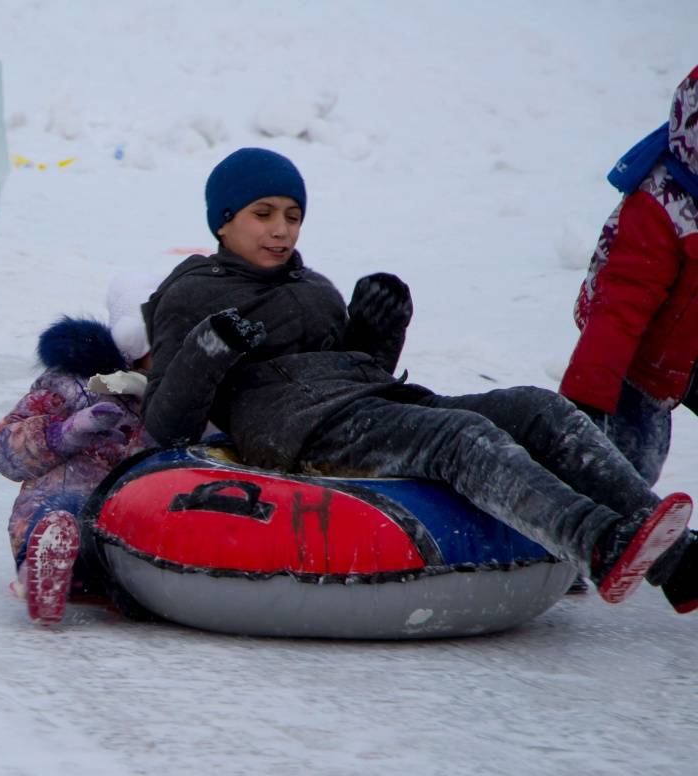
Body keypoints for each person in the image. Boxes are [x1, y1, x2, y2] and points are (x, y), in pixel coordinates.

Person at [142, 146, 698, 614]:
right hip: (298, 430)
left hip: (365, 407)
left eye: (292, 215)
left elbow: (362, 374)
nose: (281, 230)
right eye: (262, 214)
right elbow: (166, 425)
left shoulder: (313, 286)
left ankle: (670, 552)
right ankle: (596, 543)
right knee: (458, 439)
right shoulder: (192, 292)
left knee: (536, 409)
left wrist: (379, 327)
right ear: (223, 220)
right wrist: (208, 349)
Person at [560, 65, 698, 486]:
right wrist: (584, 402)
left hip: (685, 350)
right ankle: (602, 521)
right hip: (632, 367)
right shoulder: (660, 212)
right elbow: (617, 315)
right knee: (628, 461)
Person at [0, 278, 156, 625]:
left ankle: (133, 583)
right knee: (64, 511)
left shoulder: (176, 400)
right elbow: (4, 449)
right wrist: (68, 431)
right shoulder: (72, 381)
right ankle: (42, 567)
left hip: (126, 524)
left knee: (129, 531)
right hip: (66, 501)